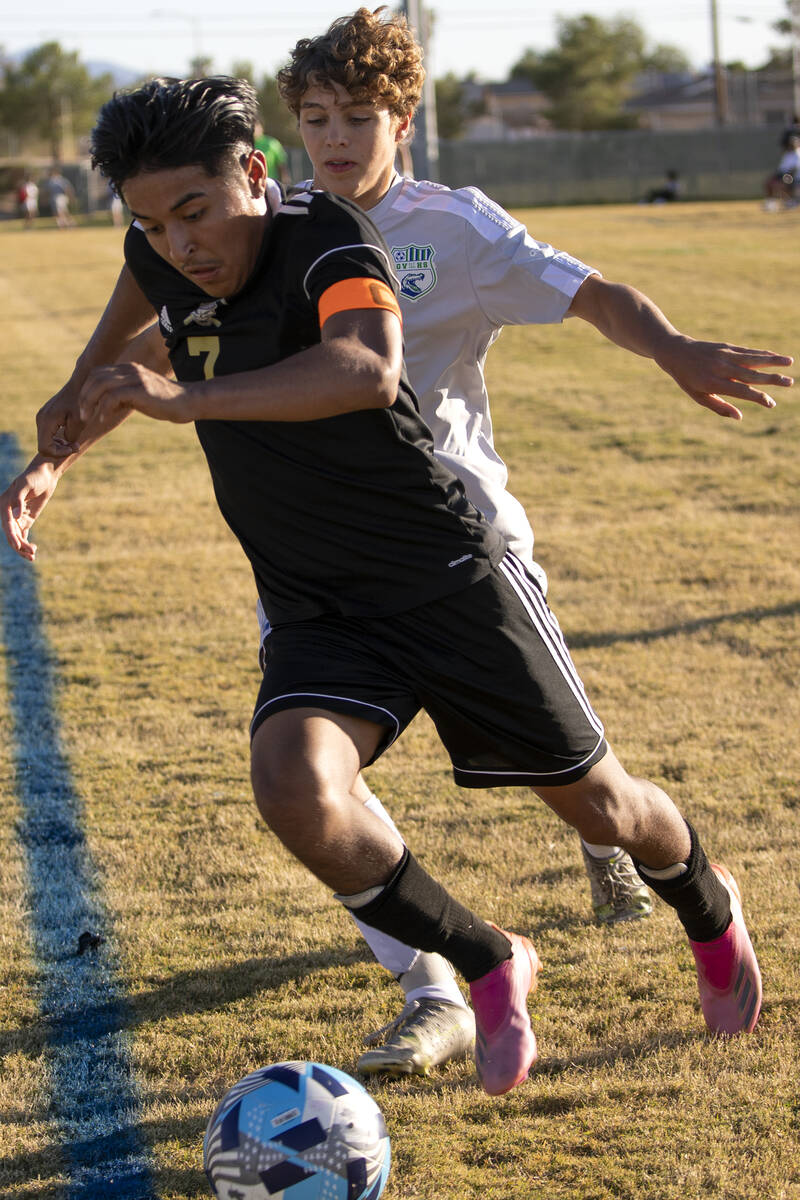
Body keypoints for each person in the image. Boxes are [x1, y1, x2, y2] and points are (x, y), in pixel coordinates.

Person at [1, 76, 780, 1096]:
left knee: (602, 808)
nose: (178, 242)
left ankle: (706, 907)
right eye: (149, 220)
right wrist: (54, 450)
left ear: (253, 173)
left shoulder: (329, 239)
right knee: (293, 783)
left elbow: (363, 368)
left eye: (195, 212)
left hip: (446, 578)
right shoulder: (158, 252)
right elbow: (111, 359)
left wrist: (185, 397)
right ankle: (487, 957)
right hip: (319, 604)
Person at [764, 134, 800, 211]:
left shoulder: (798, 154)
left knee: (779, 184)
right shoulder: (788, 154)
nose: (792, 145)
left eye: (794, 143)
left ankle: (791, 201)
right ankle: (771, 203)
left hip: (796, 179)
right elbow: (782, 169)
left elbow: (794, 170)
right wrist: (775, 176)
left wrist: (784, 178)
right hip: (787, 177)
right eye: (791, 143)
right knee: (769, 182)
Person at [253, 121, 290, 186]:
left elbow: (281, 165)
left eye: (256, 127)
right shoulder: (247, 144)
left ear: (261, 128)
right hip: (252, 185)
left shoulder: (272, 143)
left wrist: (284, 183)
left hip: (271, 185)